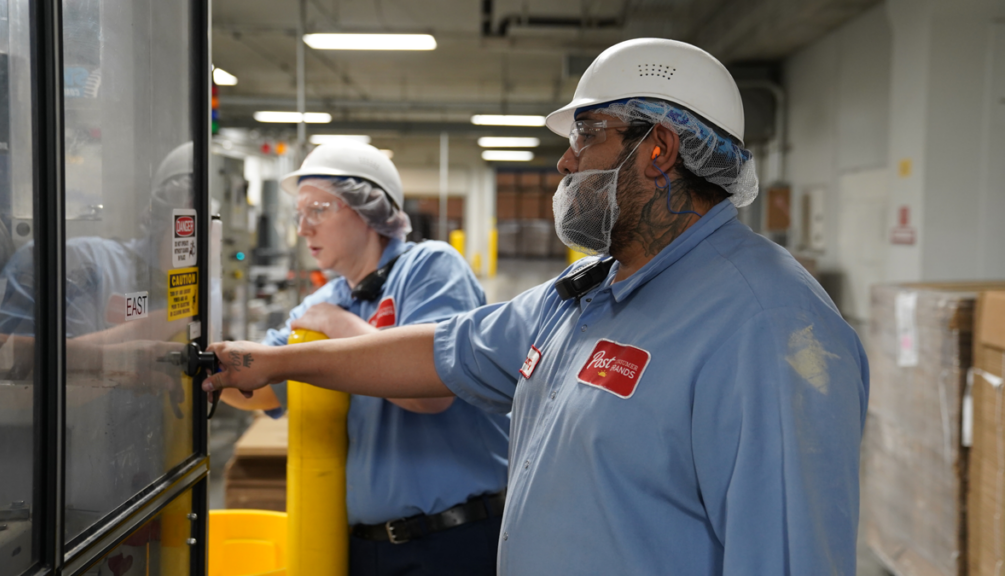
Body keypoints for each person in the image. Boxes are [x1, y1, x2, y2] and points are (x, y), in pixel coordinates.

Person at [205, 39, 869, 575]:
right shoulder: (583, 296)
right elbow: (444, 350)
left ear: (659, 150)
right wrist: (273, 361)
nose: (565, 163)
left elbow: (789, 555)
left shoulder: (767, 326)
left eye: (587, 135)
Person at [221, 143, 509, 576]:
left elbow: (429, 392)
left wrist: (338, 326)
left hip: (453, 540)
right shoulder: (325, 302)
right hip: (368, 547)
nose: (303, 229)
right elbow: (264, 387)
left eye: (317, 210)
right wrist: (201, 368)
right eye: (299, 214)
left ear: (368, 207)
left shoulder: (430, 268)